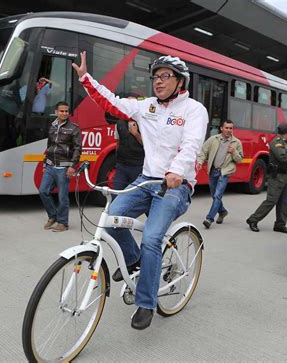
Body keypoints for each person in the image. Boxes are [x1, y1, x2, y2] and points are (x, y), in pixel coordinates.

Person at [72, 52, 208, 330]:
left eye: (165, 76)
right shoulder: (147, 106)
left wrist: (177, 171)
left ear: (181, 81)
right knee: (111, 220)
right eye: (156, 77)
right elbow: (113, 102)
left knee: (152, 238)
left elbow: (191, 145)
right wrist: (86, 78)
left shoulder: (194, 110)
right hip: (146, 179)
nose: (158, 81)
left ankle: (145, 303)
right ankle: (135, 263)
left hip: (175, 186)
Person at [39, 101, 82, 232]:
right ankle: (53, 216)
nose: (64, 113)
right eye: (61, 111)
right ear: (56, 112)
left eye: (66, 111)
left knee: (62, 197)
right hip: (50, 165)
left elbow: (78, 148)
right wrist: (45, 162)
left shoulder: (74, 128)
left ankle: (63, 223)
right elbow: (49, 146)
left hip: (64, 167)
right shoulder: (52, 126)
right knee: (43, 191)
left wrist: (72, 166)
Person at [246, 123, 287, 233]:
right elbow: (283, 158)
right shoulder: (276, 142)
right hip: (277, 176)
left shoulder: (284, 142)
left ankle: (280, 225)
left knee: (284, 202)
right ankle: (253, 219)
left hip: (284, 175)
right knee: (271, 201)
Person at [197, 119, 243, 228]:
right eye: (226, 128)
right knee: (214, 195)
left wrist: (234, 152)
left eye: (230, 128)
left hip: (225, 172)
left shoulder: (236, 143)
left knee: (217, 195)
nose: (228, 130)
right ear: (221, 128)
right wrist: (199, 162)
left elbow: (239, 160)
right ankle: (222, 211)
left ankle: (209, 219)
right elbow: (203, 152)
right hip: (213, 171)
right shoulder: (213, 139)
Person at [110, 114, 144, 190]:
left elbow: (148, 146)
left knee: (134, 195)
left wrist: (136, 134)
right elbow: (118, 143)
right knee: (116, 193)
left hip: (137, 167)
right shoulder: (119, 123)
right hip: (121, 166)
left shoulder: (143, 123)